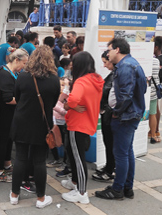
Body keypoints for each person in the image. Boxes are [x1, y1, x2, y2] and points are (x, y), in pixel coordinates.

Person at [9, 46, 60, 209]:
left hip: (22, 121)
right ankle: (40, 198)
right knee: (39, 161)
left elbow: (17, 96)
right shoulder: (53, 79)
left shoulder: (23, 77)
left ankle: (14, 195)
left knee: (20, 158)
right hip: (41, 124)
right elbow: (53, 102)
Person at [95, 38, 146, 200]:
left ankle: (118, 189)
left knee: (121, 154)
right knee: (127, 151)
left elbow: (125, 96)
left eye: (109, 49)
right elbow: (141, 89)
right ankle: (126, 187)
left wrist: (116, 112)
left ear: (117, 50)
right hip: (130, 115)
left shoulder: (126, 67)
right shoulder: (130, 64)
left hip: (125, 117)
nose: (107, 53)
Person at [61, 51, 103, 204]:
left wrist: (68, 106)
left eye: (73, 62)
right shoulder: (96, 79)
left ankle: (82, 192)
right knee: (74, 155)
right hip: (86, 122)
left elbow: (73, 100)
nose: (71, 65)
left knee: (78, 158)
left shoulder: (81, 81)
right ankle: (74, 182)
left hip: (78, 124)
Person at [0, 49, 29, 182]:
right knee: (3, 141)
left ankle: (7, 163)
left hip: (9, 113)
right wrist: (24, 100)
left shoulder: (10, 72)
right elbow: (7, 98)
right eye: (24, 63)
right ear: (16, 60)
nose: (24, 66)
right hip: (4, 113)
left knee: (8, 139)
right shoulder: (5, 75)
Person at [92, 50, 115, 182]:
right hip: (108, 114)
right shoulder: (113, 74)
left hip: (111, 115)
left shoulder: (117, 75)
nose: (104, 65)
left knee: (111, 144)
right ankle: (110, 167)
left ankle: (110, 169)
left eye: (106, 62)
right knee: (109, 144)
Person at [148, 57, 160, 143]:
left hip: (144, 90)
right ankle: (153, 136)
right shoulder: (156, 61)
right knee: (153, 114)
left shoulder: (144, 60)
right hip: (153, 91)